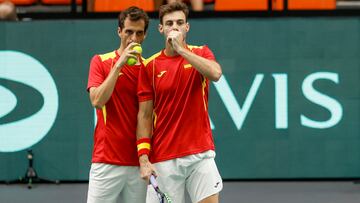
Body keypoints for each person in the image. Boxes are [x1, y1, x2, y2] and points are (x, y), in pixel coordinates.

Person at [137, 2, 223, 203]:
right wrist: (143, 157)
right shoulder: (149, 66)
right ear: (161, 28)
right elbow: (145, 115)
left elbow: (216, 73)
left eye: (179, 22)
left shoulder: (200, 53)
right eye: (169, 23)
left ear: (187, 27)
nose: (174, 27)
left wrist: (181, 50)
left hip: (200, 153)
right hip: (164, 158)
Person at [86, 6, 150, 203]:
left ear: (145, 35)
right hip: (106, 159)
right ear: (119, 31)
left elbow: (148, 116)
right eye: (129, 32)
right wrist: (119, 65)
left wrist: (145, 157)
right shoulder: (100, 61)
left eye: (139, 33)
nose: (133, 38)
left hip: (139, 163)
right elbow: (97, 100)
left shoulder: (149, 69)